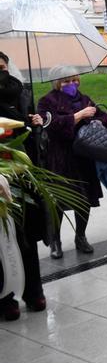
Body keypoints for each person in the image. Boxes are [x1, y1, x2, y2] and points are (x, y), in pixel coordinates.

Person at [37, 65, 107, 258]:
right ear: (57, 83)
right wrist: (78, 116)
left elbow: (102, 116)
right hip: (60, 159)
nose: (72, 84)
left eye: (74, 80)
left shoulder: (84, 98)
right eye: (67, 81)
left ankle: (81, 236)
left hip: (83, 157)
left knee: (83, 200)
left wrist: (98, 120)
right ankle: (55, 241)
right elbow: (50, 124)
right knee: (58, 202)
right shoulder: (46, 101)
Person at [0, 53, 47, 320]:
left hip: (24, 178)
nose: (2, 73)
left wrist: (35, 124)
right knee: (3, 241)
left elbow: (28, 133)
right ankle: (6, 298)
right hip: (1, 181)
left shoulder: (22, 93)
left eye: (3, 68)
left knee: (27, 238)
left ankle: (33, 291)